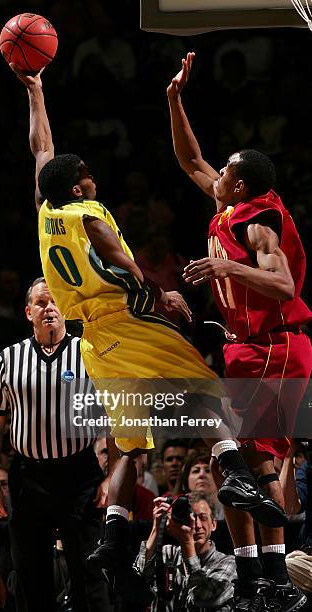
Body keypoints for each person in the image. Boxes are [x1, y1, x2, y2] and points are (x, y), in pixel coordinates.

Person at [9, 64, 288, 585]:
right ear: (79, 185)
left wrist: (36, 92)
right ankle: (232, 475)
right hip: (128, 319)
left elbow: (40, 149)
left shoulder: (46, 208)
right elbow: (117, 257)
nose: (92, 175)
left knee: (131, 443)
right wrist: (160, 297)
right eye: (86, 173)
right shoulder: (85, 210)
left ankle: (114, 534)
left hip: (92, 340)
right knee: (206, 390)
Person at [167, 51, 312, 611]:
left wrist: (228, 268)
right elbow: (190, 159)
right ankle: (253, 575)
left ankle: (273, 578)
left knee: (258, 464)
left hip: (277, 348)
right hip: (243, 346)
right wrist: (175, 99)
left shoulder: (259, 223)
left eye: (226, 171)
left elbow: (284, 289)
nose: (216, 175)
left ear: (241, 183)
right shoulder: (229, 205)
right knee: (236, 466)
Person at [0, 277, 113, 612]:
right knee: (29, 573)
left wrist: (110, 477)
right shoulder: (9, 358)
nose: (49, 308)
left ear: (66, 308)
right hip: (29, 476)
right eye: (41, 302)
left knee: (89, 569)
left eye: (55, 301)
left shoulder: (90, 353)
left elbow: (115, 419)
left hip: (79, 473)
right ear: (28, 312)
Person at [135, 492, 237, 611]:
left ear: (214, 524)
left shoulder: (228, 564)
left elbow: (203, 598)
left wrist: (187, 543)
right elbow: (137, 580)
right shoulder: (168, 554)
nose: (197, 525)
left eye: (203, 518)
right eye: (190, 518)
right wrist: (156, 528)